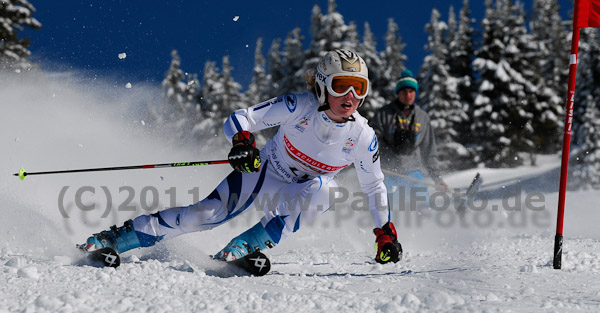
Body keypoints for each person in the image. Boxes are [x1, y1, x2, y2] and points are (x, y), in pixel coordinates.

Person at [79, 49, 402, 265]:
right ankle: (116, 239)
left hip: (299, 192)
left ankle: (247, 244)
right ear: (322, 85)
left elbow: (374, 187)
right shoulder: (298, 106)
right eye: (342, 85)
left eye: (359, 88)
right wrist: (243, 142)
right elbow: (241, 117)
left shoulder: (362, 136)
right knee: (204, 216)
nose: (351, 97)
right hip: (263, 172)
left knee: (327, 190)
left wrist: (384, 232)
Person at [370, 69, 448, 205]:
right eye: (404, 91)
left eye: (411, 91)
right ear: (398, 93)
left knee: (421, 209)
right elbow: (371, 141)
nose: (408, 95)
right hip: (387, 173)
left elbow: (429, 151)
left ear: (415, 93)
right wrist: (369, 164)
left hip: (414, 174)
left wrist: (437, 179)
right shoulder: (384, 114)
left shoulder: (422, 117)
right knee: (386, 209)